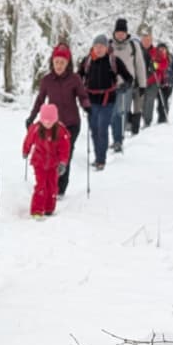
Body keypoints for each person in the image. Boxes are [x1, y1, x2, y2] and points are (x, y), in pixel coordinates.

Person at [27, 43, 87, 196]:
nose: (59, 65)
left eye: (62, 62)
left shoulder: (75, 79)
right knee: (52, 154)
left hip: (72, 123)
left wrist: (87, 106)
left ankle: (60, 188)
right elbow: (40, 100)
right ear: (52, 62)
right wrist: (32, 117)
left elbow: (82, 96)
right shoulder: (47, 80)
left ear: (68, 64)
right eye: (56, 62)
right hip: (52, 125)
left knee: (65, 155)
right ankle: (50, 184)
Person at [80, 35, 123, 171]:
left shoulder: (113, 60)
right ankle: (98, 156)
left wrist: (126, 84)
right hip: (91, 100)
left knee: (102, 129)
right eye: (96, 46)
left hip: (107, 100)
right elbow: (78, 76)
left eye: (101, 47)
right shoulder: (87, 61)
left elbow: (127, 75)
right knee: (94, 130)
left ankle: (101, 160)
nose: (98, 49)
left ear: (106, 47)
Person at [23, 103, 72, 218]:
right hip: (39, 162)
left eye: (50, 121)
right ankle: (37, 210)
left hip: (53, 164)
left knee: (52, 186)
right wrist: (26, 150)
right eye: (45, 121)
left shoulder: (61, 131)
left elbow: (65, 149)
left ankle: (49, 208)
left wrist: (62, 162)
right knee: (41, 185)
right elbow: (28, 140)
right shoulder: (36, 128)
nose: (48, 123)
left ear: (55, 119)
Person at [109, 18, 150, 148]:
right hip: (110, 86)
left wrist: (142, 85)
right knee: (112, 113)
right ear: (114, 33)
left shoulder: (134, 46)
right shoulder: (108, 46)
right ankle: (116, 137)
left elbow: (140, 66)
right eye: (118, 32)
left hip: (127, 86)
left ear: (126, 33)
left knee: (122, 112)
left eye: (123, 32)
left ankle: (118, 140)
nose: (120, 34)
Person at [140, 27, 169, 126]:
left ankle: (147, 122)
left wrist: (156, 65)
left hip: (153, 81)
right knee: (142, 102)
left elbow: (165, 64)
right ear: (141, 40)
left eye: (148, 40)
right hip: (141, 81)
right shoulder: (137, 51)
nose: (146, 42)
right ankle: (144, 119)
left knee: (150, 100)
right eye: (144, 40)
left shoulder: (157, 52)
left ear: (151, 40)